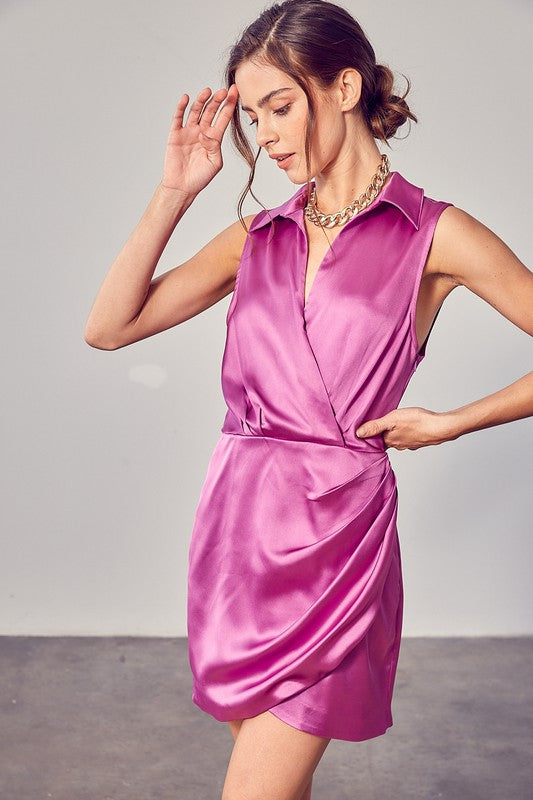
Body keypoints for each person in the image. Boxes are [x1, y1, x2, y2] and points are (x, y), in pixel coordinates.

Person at [84, 1, 533, 797]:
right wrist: (173, 191)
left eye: (280, 106)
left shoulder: (436, 233)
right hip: (236, 530)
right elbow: (109, 327)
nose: (267, 135)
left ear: (346, 86)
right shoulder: (256, 234)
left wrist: (456, 421)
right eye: (252, 118)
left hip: (336, 534)